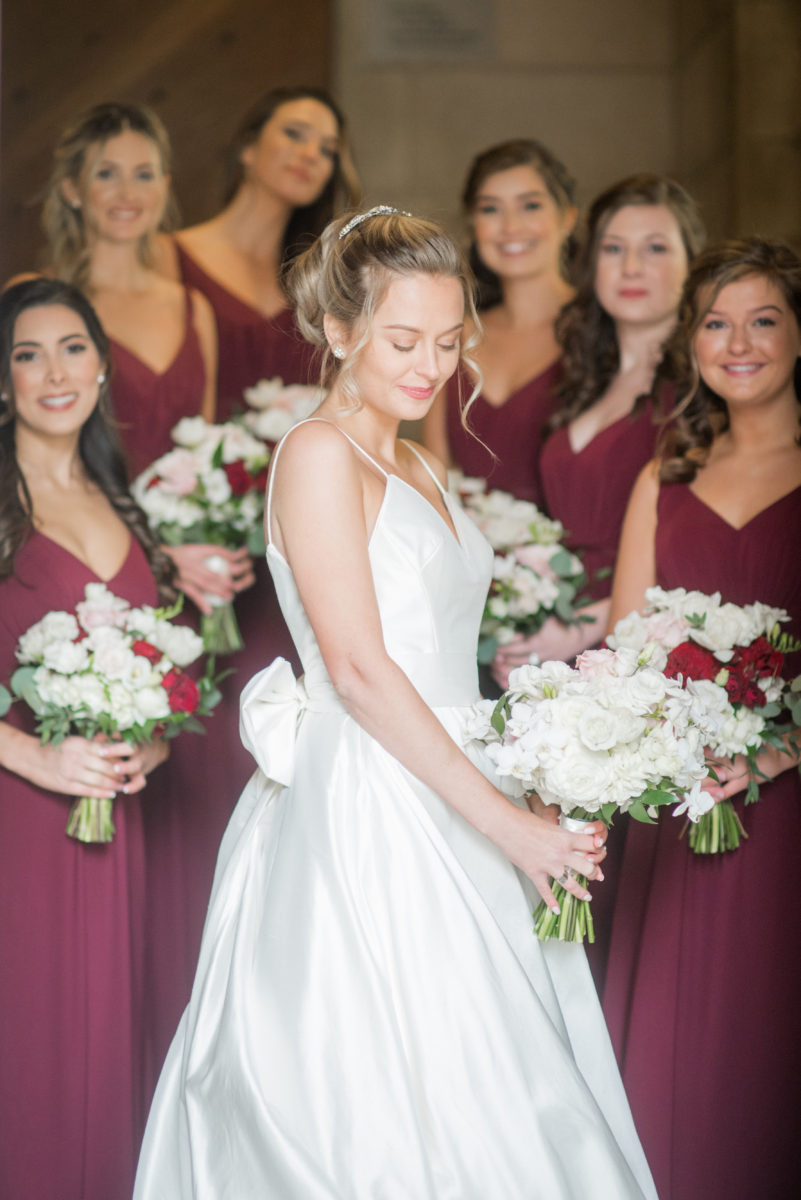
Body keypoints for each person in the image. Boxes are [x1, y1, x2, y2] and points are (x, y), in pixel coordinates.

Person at [133, 208, 656, 1199]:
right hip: (370, 804)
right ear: (339, 332)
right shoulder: (319, 454)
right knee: (384, 1094)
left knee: (505, 1081)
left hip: (462, 773)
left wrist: (532, 783)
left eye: (450, 340)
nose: (431, 365)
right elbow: (364, 671)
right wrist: (512, 827)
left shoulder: (418, 457)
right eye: (403, 340)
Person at [604, 238, 801, 1199]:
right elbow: (625, 643)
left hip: (786, 808)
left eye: (762, 319)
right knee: (675, 1053)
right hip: (678, 804)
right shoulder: (663, 476)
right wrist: (674, 748)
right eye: (716, 323)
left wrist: (774, 754)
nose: (738, 342)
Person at [0, 279, 174, 1200]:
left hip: (115, 819)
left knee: (108, 1044)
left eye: (71, 348)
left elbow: (163, 674)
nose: (53, 372)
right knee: (33, 1048)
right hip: (20, 818)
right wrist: (35, 756)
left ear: (102, 367)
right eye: (27, 354)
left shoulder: (124, 501)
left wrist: (152, 745)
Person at [35, 100, 253, 615]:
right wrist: (152, 555)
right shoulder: (41, 304)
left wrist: (207, 538)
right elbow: (34, 463)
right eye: (106, 173)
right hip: (87, 565)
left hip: (193, 578)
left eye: (144, 174)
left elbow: (199, 456)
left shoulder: (194, 309)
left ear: (165, 186)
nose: (128, 193)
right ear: (72, 188)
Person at [492, 173, 706, 686]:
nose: (631, 267)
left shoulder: (701, 392)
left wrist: (577, 629)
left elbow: (698, 555)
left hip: (638, 653)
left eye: (655, 248)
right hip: (552, 642)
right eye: (614, 248)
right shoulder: (582, 383)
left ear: (692, 264)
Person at [158, 85, 361, 417]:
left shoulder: (323, 282)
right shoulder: (169, 256)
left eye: (328, 150)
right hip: (192, 464)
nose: (311, 154)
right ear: (248, 147)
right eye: (295, 134)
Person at [423, 138, 576, 505]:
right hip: (468, 554)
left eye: (530, 206)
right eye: (491, 209)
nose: (510, 226)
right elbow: (436, 481)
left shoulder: (603, 330)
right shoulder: (451, 334)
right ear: (474, 225)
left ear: (567, 218)